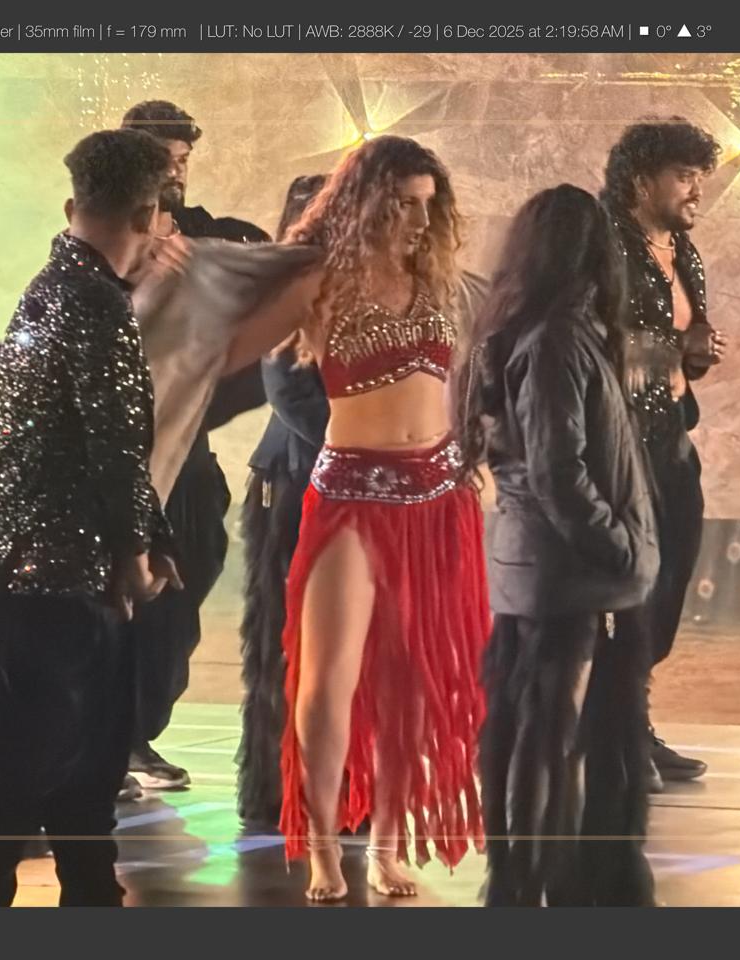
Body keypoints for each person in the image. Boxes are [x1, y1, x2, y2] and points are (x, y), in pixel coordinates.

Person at [223, 135, 489, 901]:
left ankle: (385, 847)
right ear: (366, 202)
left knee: (410, 684)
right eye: (402, 204)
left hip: (438, 496)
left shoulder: (438, 279)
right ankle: (322, 851)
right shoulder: (319, 282)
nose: (418, 220)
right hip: (351, 495)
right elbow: (239, 339)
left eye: (427, 205)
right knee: (328, 678)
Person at [0, 129, 179, 907]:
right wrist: (136, 552)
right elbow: (116, 444)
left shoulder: (45, 288)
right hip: (65, 582)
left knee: (7, 788)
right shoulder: (98, 303)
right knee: (70, 789)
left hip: (11, 571)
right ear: (147, 216)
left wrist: (150, 535)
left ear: (70, 205)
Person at [460, 184, 660, 906]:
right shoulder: (556, 340)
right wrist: (620, 547)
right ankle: (536, 884)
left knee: (537, 731)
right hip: (568, 572)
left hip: (543, 566)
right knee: (549, 737)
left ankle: (534, 882)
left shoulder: (535, 332)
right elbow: (556, 469)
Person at [119, 100, 271, 794]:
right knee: (127, 590)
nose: (177, 173)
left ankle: (136, 729)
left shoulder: (204, 232)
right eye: (165, 160)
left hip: (190, 445)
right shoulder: (108, 236)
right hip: (124, 445)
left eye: (183, 161)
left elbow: (259, 251)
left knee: (193, 569)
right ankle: (114, 739)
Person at [599, 117, 726, 790]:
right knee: (629, 588)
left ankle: (633, 721)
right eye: (685, 176)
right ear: (642, 180)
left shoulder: (683, 250)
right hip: (618, 442)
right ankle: (615, 733)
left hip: (672, 435)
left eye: (700, 177)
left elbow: (679, 348)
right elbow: (591, 344)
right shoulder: (602, 245)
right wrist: (676, 348)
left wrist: (693, 356)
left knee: (668, 583)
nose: (697, 190)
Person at [237, 175, 331, 829]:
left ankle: (328, 787)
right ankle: (283, 791)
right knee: (289, 641)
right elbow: (290, 390)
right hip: (294, 483)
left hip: (327, 478)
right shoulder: (288, 295)